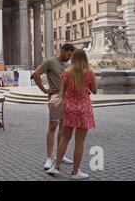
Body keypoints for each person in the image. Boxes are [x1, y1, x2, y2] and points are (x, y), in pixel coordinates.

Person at [47, 49, 97, 180]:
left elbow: (63, 93)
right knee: (79, 141)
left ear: (73, 59)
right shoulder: (89, 73)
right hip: (84, 109)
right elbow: (95, 91)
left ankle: (56, 167)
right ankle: (75, 172)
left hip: (69, 108)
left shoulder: (66, 73)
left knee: (64, 138)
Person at [32, 43, 76, 170]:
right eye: (68, 54)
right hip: (55, 99)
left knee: (63, 128)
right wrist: (45, 90)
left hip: (67, 100)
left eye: (71, 56)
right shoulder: (50, 62)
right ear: (62, 51)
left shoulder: (68, 65)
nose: (69, 57)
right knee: (52, 126)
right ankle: (48, 158)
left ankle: (59, 156)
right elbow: (36, 74)